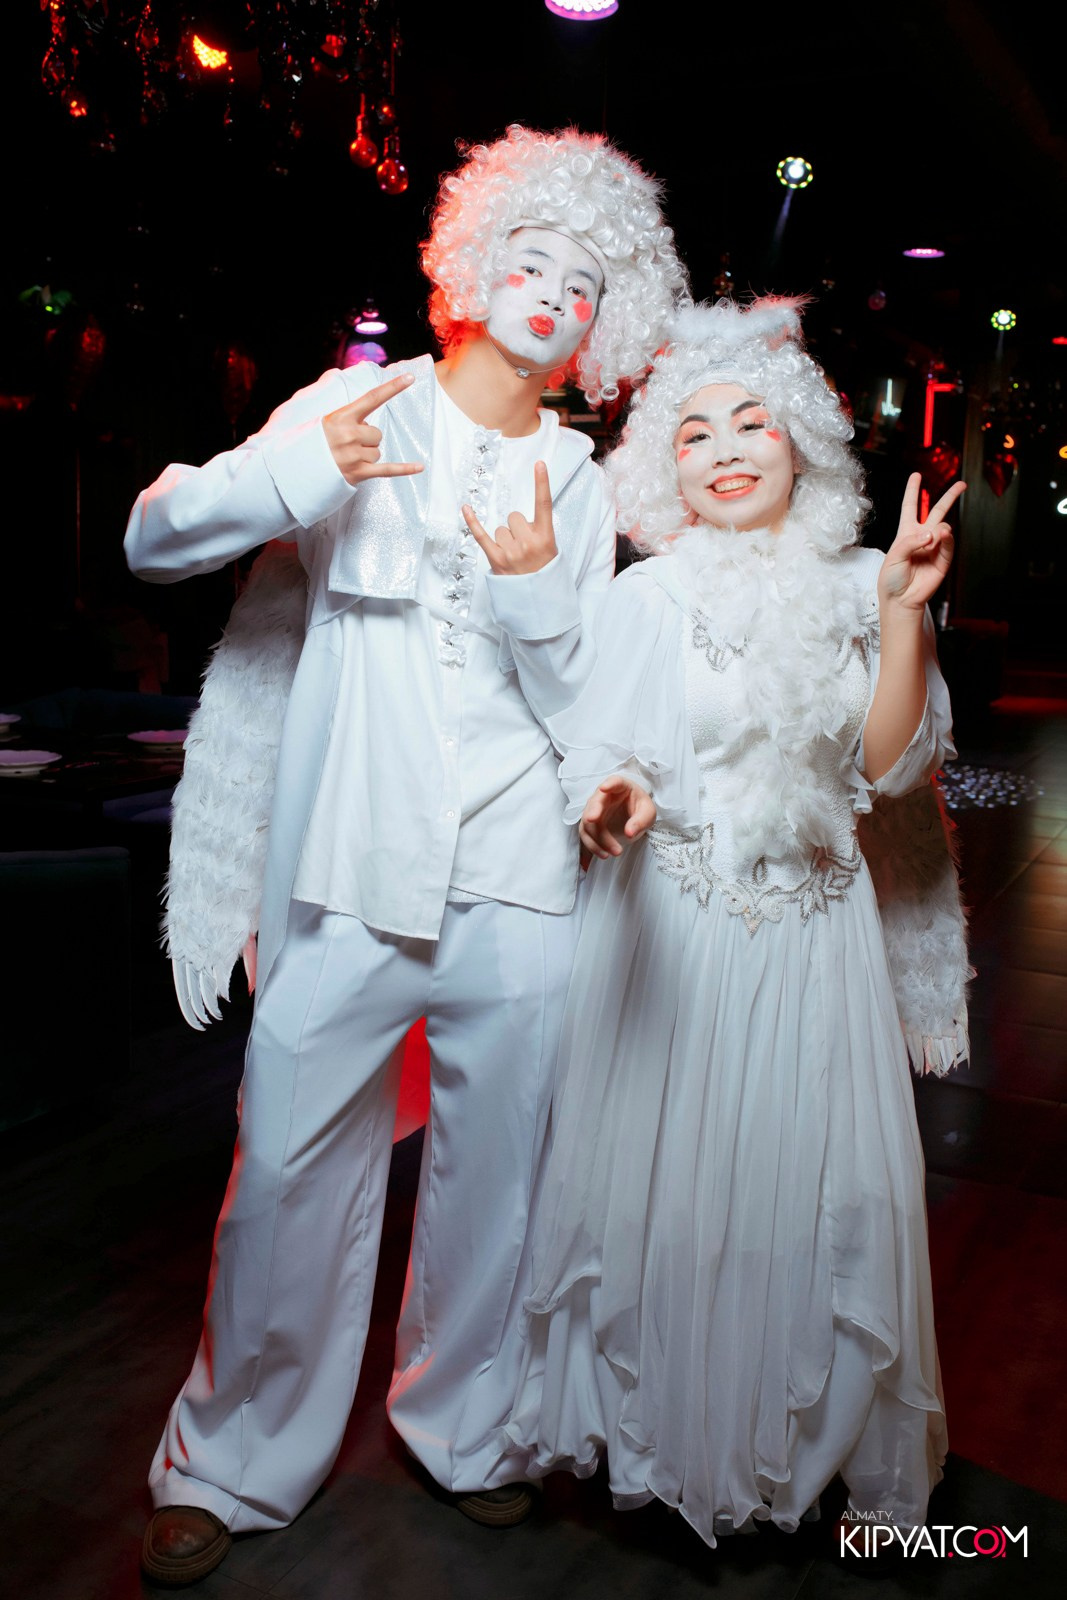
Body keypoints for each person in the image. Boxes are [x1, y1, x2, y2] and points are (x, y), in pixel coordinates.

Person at [124, 125, 687, 1587]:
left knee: (501, 1181)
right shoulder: (352, 403)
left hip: (518, 881)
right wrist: (296, 474)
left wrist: (542, 612)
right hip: (346, 872)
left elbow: (582, 700)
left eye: (585, 282)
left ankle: (467, 1432)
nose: (554, 292)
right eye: (534, 261)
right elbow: (153, 539)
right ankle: (232, 1459)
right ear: (473, 265)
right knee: (285, 1166)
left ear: (601, 322)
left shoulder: (579, 482)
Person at [499, 297, 969, 1551]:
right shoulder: (647, 596)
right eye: (692, 432)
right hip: (679, 932)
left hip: (817, 934)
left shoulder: (858, 581)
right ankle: (674, 1446)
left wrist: (900, 612)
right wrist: (612, 800)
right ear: (666, 467)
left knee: (815, 1203)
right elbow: (605, 748)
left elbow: (886, 768)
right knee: (673, 1205)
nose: (722, 449)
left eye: (749, 422)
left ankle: (794, 1456)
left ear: (799, 440)